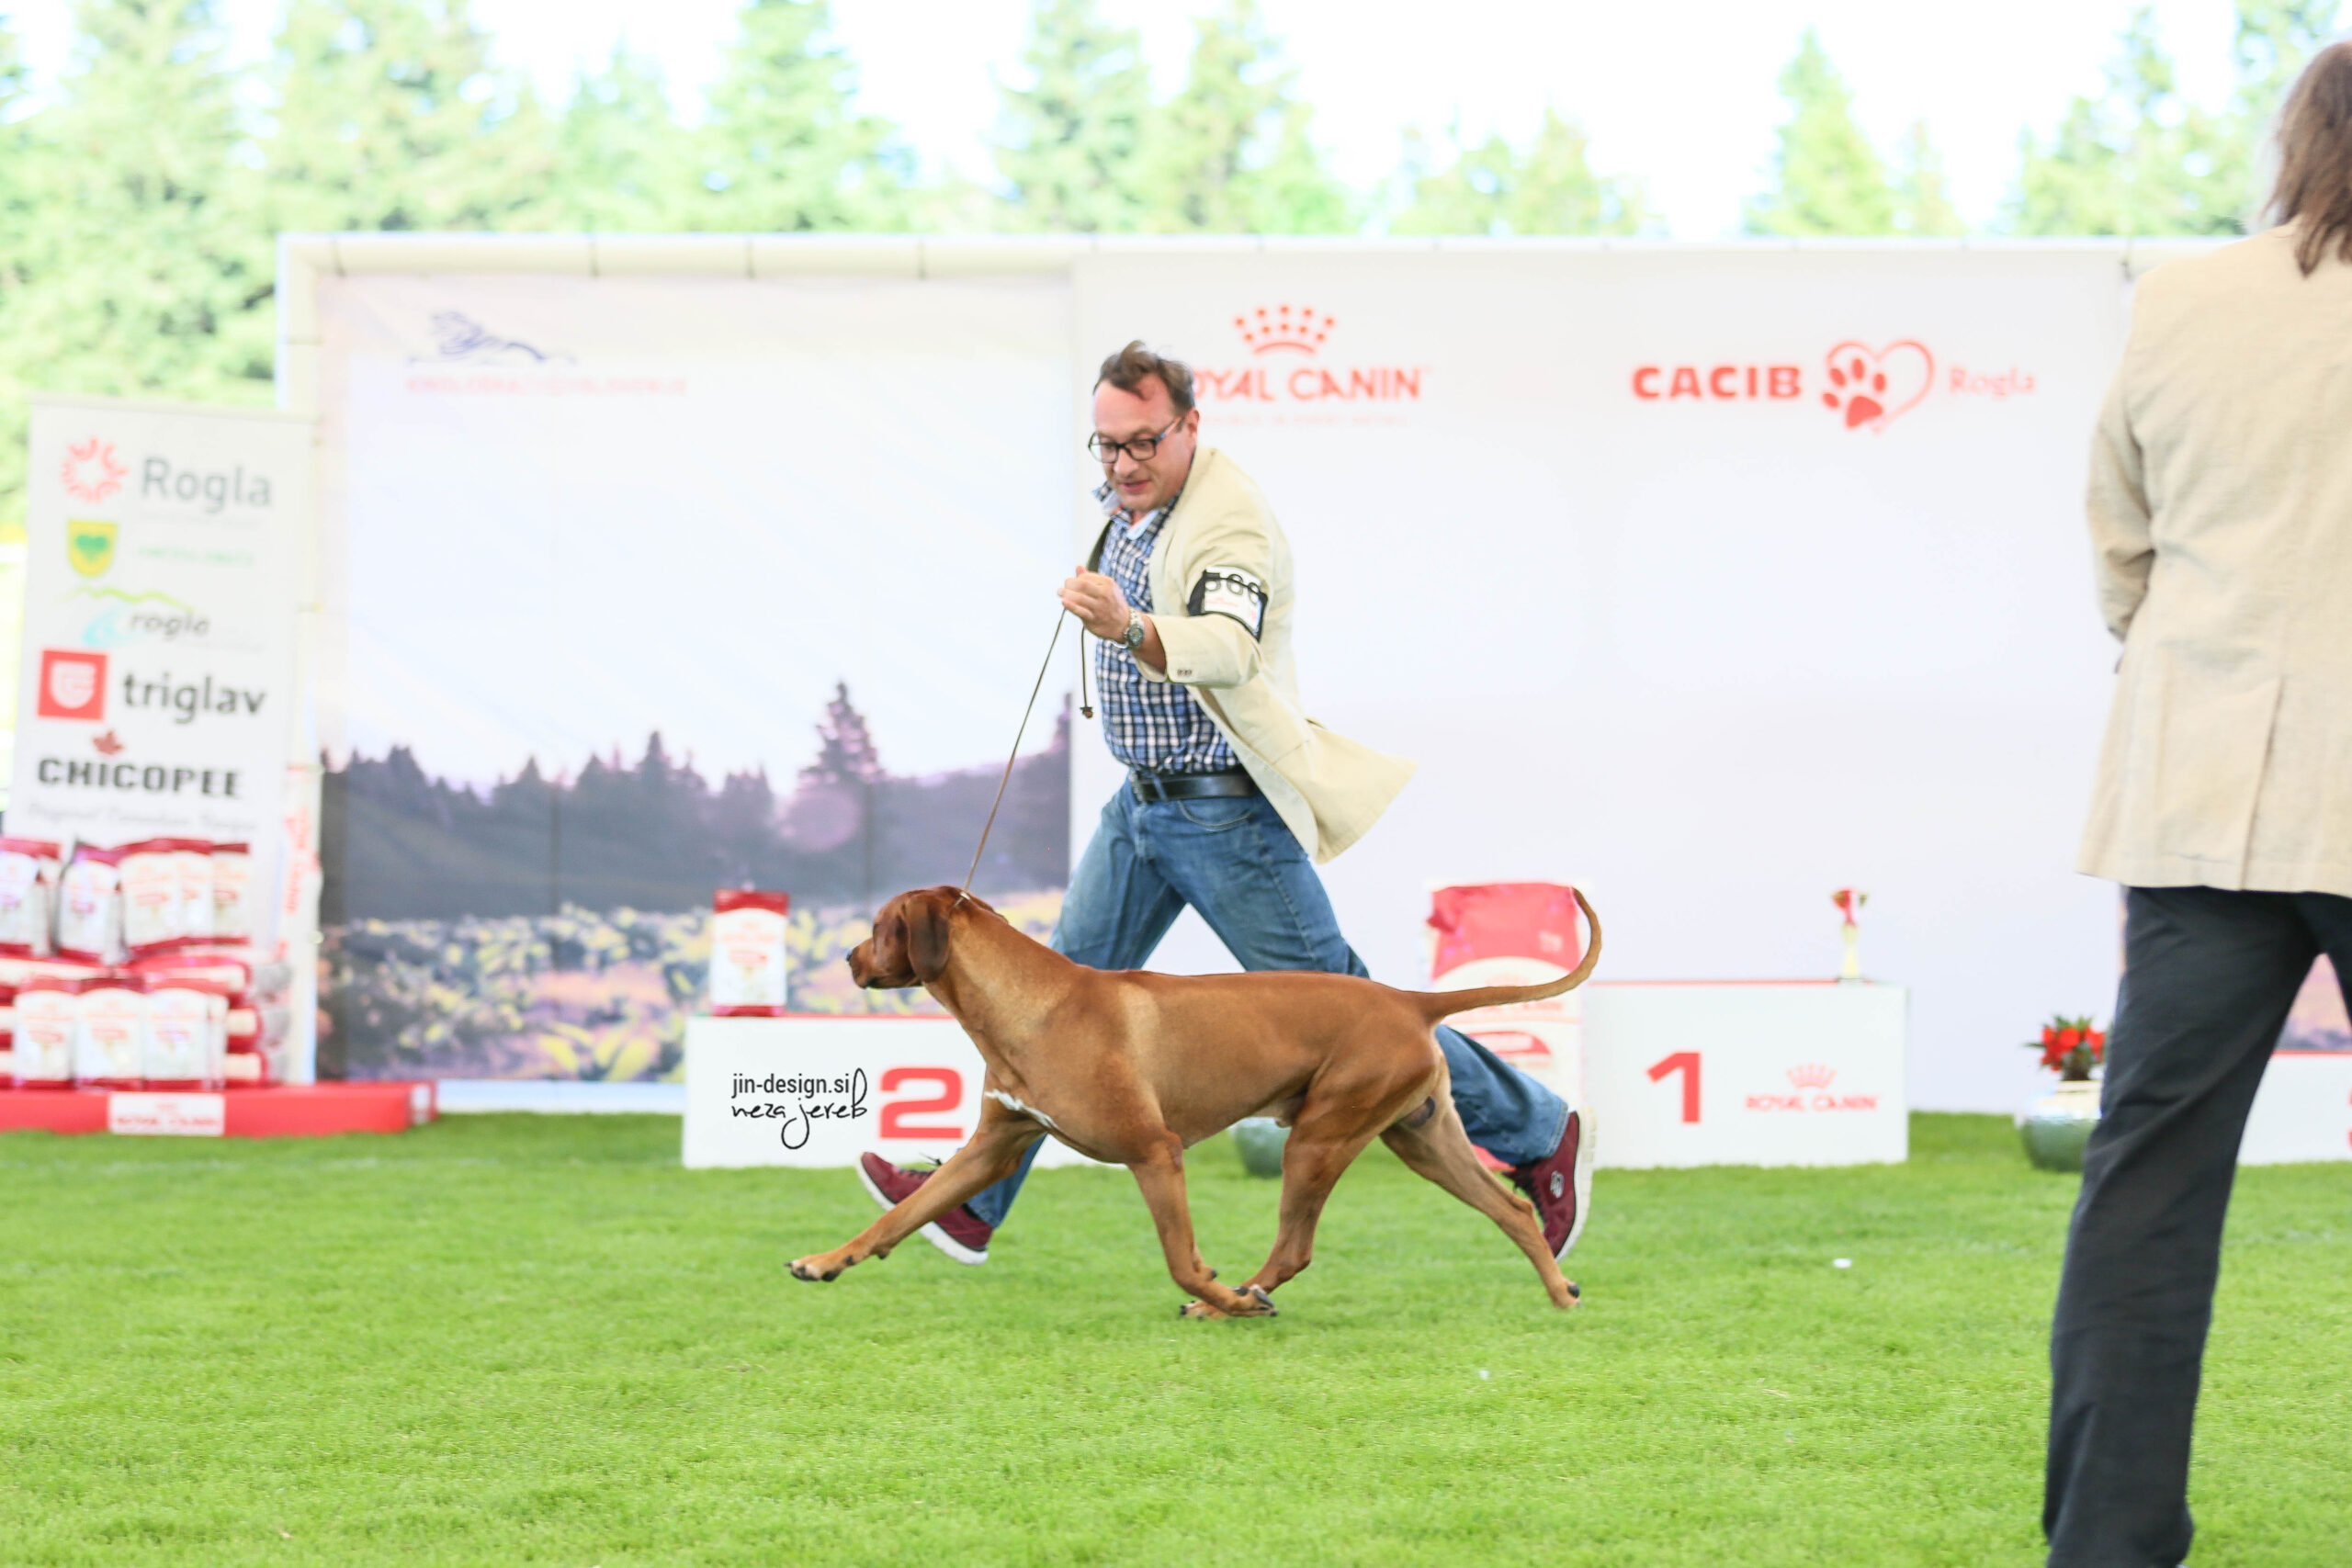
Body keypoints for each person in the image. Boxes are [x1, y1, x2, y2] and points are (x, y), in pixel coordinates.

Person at [858, 341, 1591, 1267]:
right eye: (1106, 445)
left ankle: (1537, 1134)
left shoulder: (1229, 524)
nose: (1122, 463)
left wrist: (1126, 625)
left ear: (1190, 427)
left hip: (1223, 817)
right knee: (1049, 1005)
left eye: (1142, 443)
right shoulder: (1131, 505)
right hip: (1143, 808)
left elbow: (1227, 645)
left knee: (1360, 1013)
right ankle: (971, 1203)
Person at [2048, 42, 2352, 1568]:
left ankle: (2104, 1543)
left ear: (2296, 140)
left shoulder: (2179, 299)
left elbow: (2121, 546)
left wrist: (2198, 661)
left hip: (2200, 788)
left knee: (2147, 1189)